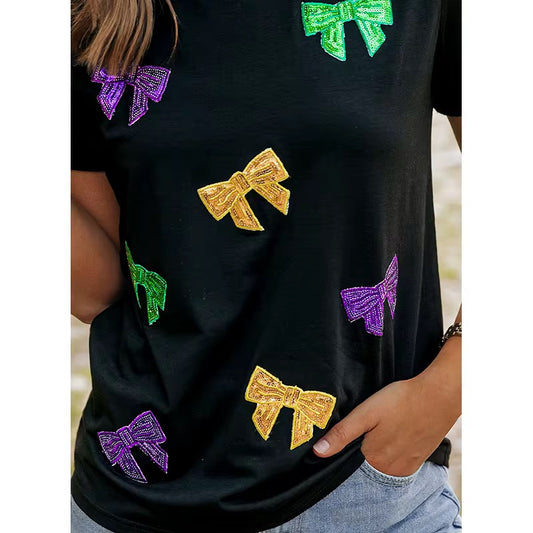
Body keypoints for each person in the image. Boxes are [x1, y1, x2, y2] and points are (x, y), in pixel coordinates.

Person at [71, 0, 462, 531]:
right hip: (137, 494)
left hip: (364, 489)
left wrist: (448, 386)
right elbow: (102, 291)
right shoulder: (87, 14)